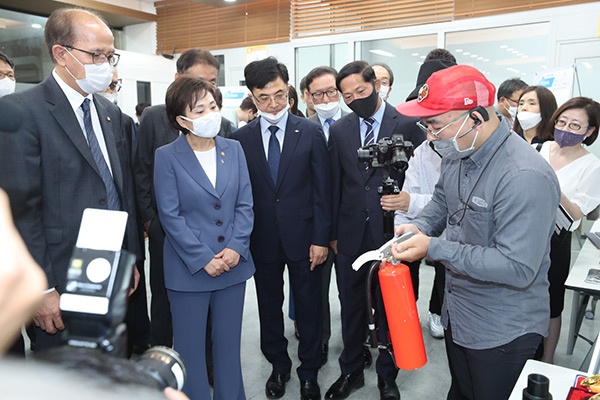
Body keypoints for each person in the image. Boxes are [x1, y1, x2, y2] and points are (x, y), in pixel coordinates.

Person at [392, 64, 560, 400]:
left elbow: (517, 267)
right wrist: (419, 227)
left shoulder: (524, 176)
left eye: (435, 125)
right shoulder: (459, 148)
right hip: (461, 313)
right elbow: (441, 200)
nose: (429, 136)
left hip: (503, 329)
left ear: (476, 118)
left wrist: (433, 248)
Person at [0, 7, 142, 353]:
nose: (106, 64)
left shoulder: (110, 115)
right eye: (96, 55)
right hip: (59, 283)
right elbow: (22, 211)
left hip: (111, 272)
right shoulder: (24, 113)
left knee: (111, 369)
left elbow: (121, 192)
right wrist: (43, 289)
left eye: (110, 55)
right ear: (61, 54)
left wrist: (130, 257)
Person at [232, 57, 331, 400]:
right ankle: (278, 367)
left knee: (308, 305)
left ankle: (308, 372)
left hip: (305, 240)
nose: (273, 104)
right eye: (264, 98)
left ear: (288, 91)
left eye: (279, 95)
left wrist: (321, 238)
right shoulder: (240, 139)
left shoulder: (311, 132)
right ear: (252, 97)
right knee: (268, 306)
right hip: (262, 240)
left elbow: (323, 190)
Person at [326, 60, 425, 400]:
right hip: (351, 232)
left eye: (361, 91)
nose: (355, 99)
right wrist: (332, 234)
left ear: (377, 86)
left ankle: (388, 376)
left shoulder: (410, 125)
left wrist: (407, 204)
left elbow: (425, 181)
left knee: (391, 308)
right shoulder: (340, 130)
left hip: (394, 233)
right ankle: (351, 370)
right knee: (351, 305)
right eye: (347, 95)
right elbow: (334, 185)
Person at [154, 76, 255, 400]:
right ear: (181, 120)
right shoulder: (167, 156)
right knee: (189, 353)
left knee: (228, 349)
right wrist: (202, 258)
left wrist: (236, 248)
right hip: (189, 270)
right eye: (199, 110)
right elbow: (170, 216)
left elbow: (245, 203)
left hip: (232, 266)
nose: (210, 113)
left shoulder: (234, 149)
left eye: (213, 106)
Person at [134, 48, 221, 348]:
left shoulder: (221, 125)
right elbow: (141, 171)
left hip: (209, 232)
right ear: (177, 79)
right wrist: (150, 221)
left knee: (209, 301)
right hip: (166, 232)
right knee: (163, 298)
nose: (207, 90)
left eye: (212, 82)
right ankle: (162, 356)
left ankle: (206, 359)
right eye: (200, 80)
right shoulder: (154, 117)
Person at [393, 57, 456, 340]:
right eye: (425, 124)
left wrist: (411, 203)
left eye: (435, 123)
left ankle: (438, 311)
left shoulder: (472, 152)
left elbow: (456, 202)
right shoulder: (423, 150)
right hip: (425, 227)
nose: (429, 132)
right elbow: (408, 195)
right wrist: (401, 229)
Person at [535, 96, 600, 364]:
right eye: (562, 121)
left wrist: (551, 182)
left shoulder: (592, 165)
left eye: (575, 126)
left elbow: (576, 213)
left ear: (590, 131)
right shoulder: (540, 148)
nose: (565, 129)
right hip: (522, 229)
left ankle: (547, 361)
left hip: (556, 239)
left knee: (551, 304)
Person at [304, 65, 349, 365]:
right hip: (315, 229)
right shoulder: (301, 130)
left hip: (349, 227)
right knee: (315, 295)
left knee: (351, 293)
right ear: (307, 97)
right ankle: (319, 341)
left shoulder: (355, 126)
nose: (325, 98)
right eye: (318, 93)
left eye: (331, 91)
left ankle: (354, 345)